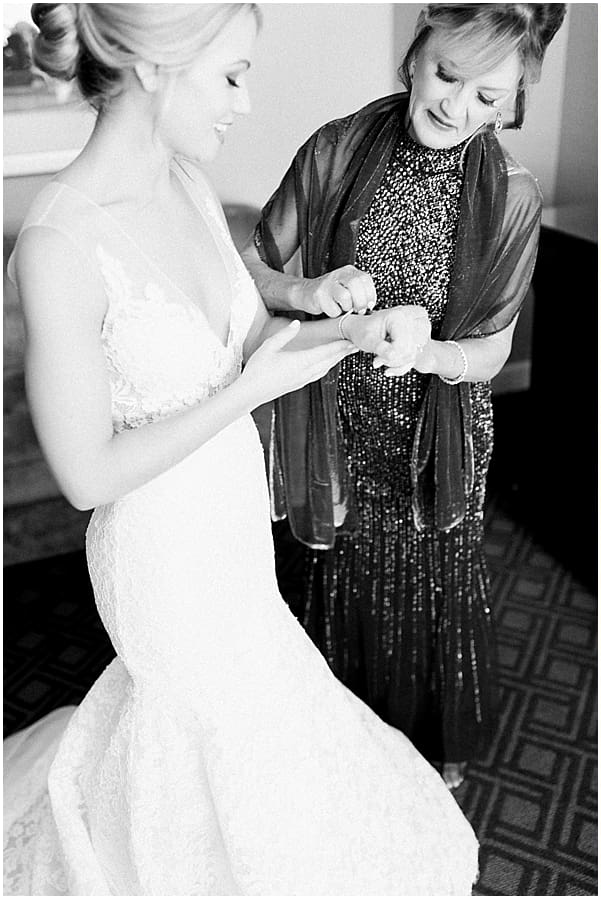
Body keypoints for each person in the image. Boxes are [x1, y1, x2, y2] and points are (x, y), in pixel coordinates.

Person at [3, 4, 477, 893]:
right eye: (231, 75)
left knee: (261, 697)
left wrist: (352, 324)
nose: (246, 101)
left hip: (227, 515)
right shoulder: (58, 242)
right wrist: (243, 396)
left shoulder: (184, 182)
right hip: (158, 551)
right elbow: (83, 473)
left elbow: (250, 329)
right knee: (197, 725)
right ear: (154, 67)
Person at [241, 3, 566, 789]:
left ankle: (415, 751)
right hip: (332, 420)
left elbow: (491, 350)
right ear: (415, 54)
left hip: (434, 432)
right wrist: (309, 286)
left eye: (487, 96)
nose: (456, 107)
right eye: (446, 75)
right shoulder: (336, 146)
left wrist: (431, 351)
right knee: (331, 573)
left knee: (427, 587)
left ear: (514, 98)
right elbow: (250, 270)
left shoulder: (512, 198)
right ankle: (331, 740)